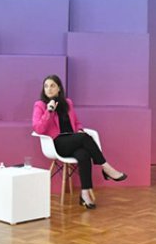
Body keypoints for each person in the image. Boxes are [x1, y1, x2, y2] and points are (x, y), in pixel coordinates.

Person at [32, 75, 127, 209]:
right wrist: (49, 111)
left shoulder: (68, 103)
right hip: (57, 144)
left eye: (52, 85)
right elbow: (38, 128)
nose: (49, 89)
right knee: (84, 138)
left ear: (59, 88)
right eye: (46, 86)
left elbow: (76, 123)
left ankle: (85, 194)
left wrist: (80, 129)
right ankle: (106, 167)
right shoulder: (40, 105)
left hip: (72, 140)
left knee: (84, 154)